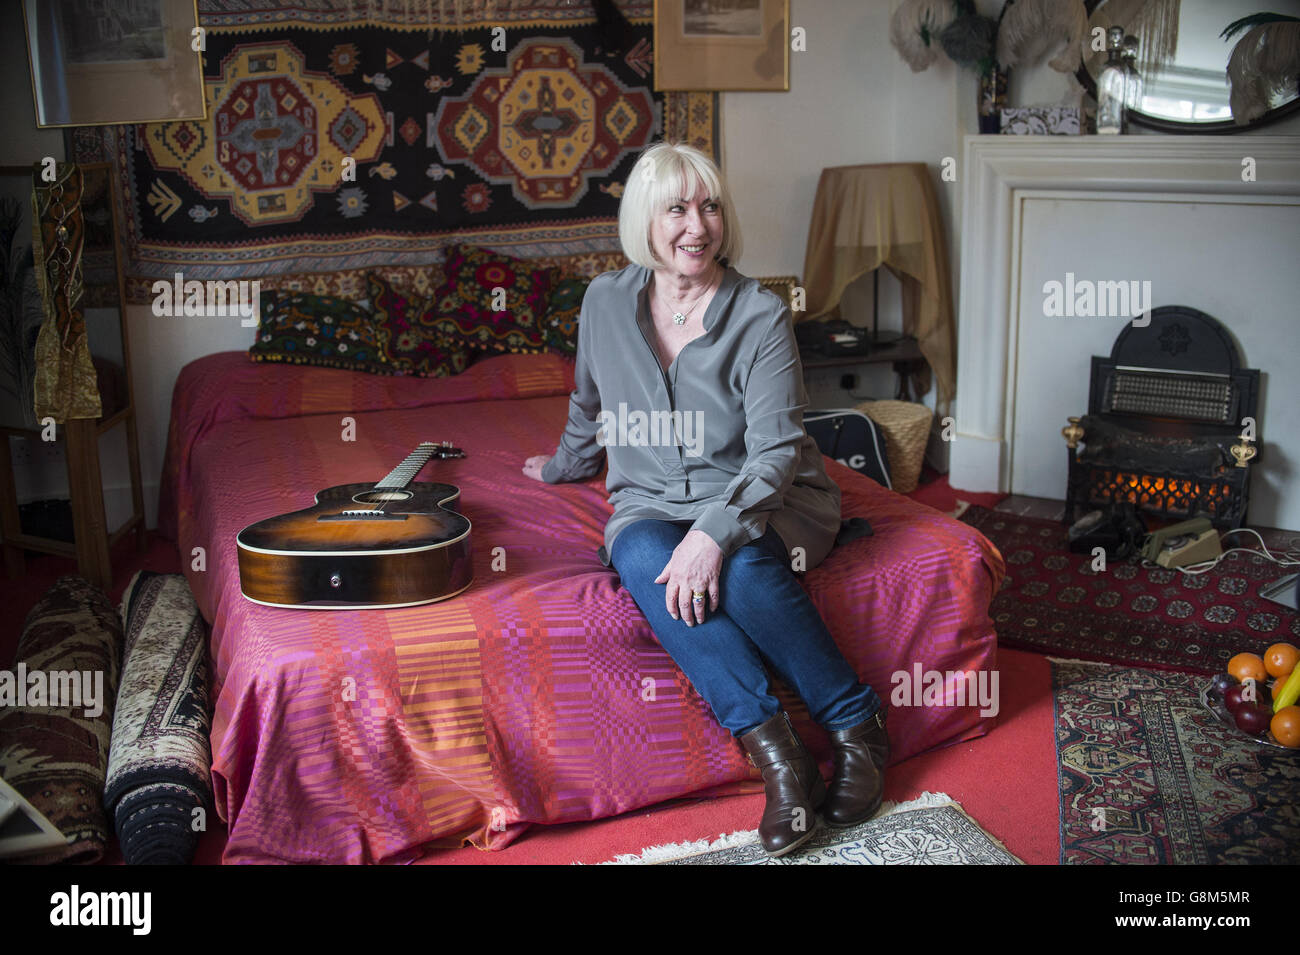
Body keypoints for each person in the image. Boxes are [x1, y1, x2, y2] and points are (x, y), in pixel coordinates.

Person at [522, 141, 888, 857]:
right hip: (652, 499)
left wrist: (714, 534)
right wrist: (561, 465)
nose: (698, 224)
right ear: (644, 222)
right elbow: (588, 404)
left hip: (767, 493)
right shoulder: (602, 302)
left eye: (711, 206)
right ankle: (781, 760)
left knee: (746, 568)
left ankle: (858, 725)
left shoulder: (760, 316)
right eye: (677, 208)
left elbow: (777, 452)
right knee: (638, 553)